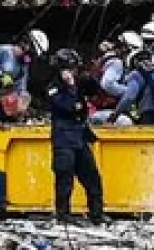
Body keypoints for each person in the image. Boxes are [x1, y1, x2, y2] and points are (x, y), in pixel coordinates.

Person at [46, 49, 106, 225]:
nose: (75, 72)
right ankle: (63, 215)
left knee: (92, 177)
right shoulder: (53, 88)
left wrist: (88, 75)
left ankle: (97, 214)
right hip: (64, 139)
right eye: (72, 69)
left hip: (79, 136)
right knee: (65, 178)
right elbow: (69, 106)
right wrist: (71, 86)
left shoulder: (79, 83)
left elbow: (96, 91)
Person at [0, 29, 48, 123]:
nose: (31, 56)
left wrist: (23, 100)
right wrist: (0, 75)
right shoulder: (4, 51)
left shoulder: (24, 64)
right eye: (32, 52)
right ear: (26, 44)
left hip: (2, 102)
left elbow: (21, 86)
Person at [90, 31, 140, 124]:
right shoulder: (116, 63)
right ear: (125, 48)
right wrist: (129, 91)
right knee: (127, 122)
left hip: (98, 108)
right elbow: (107, 85)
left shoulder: (106, 58)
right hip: (102, 110)